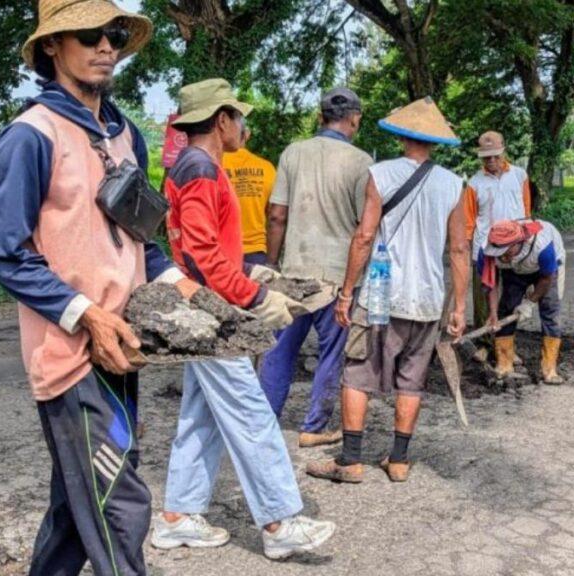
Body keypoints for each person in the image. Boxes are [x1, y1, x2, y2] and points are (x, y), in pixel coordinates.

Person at [0, 2, 199, 573]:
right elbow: (4, 253)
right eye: (88, 34)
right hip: (71, 356)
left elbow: (141, 240)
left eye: (115, 33)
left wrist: (182, 283)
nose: (106, 45)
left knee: (78, 507)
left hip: (121, 348)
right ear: (52, 46)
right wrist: (87, 315)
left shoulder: (125, 134)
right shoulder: (31, 136)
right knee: (119, 505)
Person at [150, 78, 335, 560]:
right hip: (213, 312)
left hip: (209, 304)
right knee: (251, 412)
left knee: (201, 414)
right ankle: (279, 522)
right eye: (239, 116)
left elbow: (203, 247)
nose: (243, 126)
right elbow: (202, 254)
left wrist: (252, 270)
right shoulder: (200, 168)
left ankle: (177, 516)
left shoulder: (199, 165)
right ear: (221, 121)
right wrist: (253, 296)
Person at [306, 97, 468, 484]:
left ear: (401, 137)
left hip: (381, 297)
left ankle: (350, 460)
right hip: (427, 300)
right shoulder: (453, 184)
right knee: (412, 379)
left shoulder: (381, 175)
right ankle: (398, 461)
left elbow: (363, 236)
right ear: (435, 142)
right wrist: (459, 306)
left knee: (358, 373)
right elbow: (459, 248)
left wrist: (346, 292)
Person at [261, 87, 373, 448]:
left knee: (279, 350)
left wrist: (272, 263)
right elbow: (364, 227)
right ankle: (314, 426)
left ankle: (262, 424)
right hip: (337, 274)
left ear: (321, 116)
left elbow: (277, 214)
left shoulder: (293, 153)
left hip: (294, 270)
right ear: (354, 118)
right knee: (331, 352)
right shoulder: (362, 163)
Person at [463, 131, 532, 344]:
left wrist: (527, 239)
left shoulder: (519, 175)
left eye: (495, 155)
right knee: (484, 298)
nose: (492, 160)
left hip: (514, 249)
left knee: (511, 297)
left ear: (503, 151)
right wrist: (466, 251)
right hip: (485, 248)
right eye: (487, 157)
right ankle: (484, 344)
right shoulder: (475, 183)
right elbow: (468, 221)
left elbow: (527, 210)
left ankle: (505, 344)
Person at [479, 219, 566, 384]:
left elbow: (547, 279)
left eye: (505, 252)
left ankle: (549, 369)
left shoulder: (543, 246)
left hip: (544, 270)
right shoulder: (486, 251)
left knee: (550, 311)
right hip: (514, 271)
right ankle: (504, 364)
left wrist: (530, 302)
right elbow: (491, 283)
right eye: (498, 254)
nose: (502, 257)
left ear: (518, 243)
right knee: (507, 308)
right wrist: (493, 313)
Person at [223, 126, 276, 265]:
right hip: (256, 252)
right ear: (246, 134)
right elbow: (274, 216)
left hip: (221, 252)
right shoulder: (267, 168)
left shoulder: (213, 165)